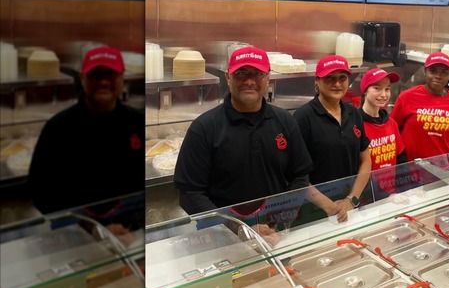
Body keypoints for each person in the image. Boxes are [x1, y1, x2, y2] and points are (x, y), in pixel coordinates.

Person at [174, 46, 312, 238]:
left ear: (268, 78)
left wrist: (279, 220)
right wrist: (237, 229)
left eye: (257, 74)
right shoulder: (204, 128)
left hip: (274, 235)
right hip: (221, 237)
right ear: (228, 77)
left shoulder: (285, 122)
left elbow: (300, 176)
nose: (249, 81)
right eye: (241, 73)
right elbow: (190, 195)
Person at [28, 45, 145, 235]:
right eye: (95, 74)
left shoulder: (137, 123)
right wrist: (90, 229)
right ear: (83, 79)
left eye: (110, 74)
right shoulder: (58, 128)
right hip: (75, 232)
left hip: (130, 231)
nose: (103, 81)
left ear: (122, 79)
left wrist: (130, 226)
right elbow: (41, 193)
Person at [293, 55, 371, 223]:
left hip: (349, 206)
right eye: (330, 78)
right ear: (317, 81)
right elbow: (296, 174)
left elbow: (365, 159)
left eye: (342, 78)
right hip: (314, 211)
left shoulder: (353, 113)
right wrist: (329, 206)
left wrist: (352, 199)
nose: (337, 84)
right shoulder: (303, 118)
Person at [390, 52, 449, 170]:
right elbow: (392, 131)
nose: (438, 76)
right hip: (408, 170)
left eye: (444, 72)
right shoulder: (407, 97)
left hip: (440, 170)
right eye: (433, 71)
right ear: (425, 71)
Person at [358, 68, 409, 197]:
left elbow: (401, 158)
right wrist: (384, 195)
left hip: (393, 196)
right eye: (377, 88)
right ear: (365, 91)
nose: (384, 94)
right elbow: (355, 168)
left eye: (387, 89)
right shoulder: (355, 125)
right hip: (367, 197)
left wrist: (404, 188)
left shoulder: (391, 123)